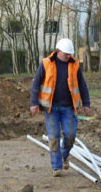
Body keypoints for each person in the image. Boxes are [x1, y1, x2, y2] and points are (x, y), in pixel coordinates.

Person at [30, 38, 91, 177]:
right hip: (51, 108)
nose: (68, 56)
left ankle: (65, 155)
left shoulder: (74, 65)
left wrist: (86, 104)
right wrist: (33, 103)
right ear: (58, 51)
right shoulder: (46, 64)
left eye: (70, 53)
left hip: (69, 108)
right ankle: (56, 167)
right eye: (65, 54)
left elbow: (82, 85)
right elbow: (36, 84)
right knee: (54, 137)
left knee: (70, 135)